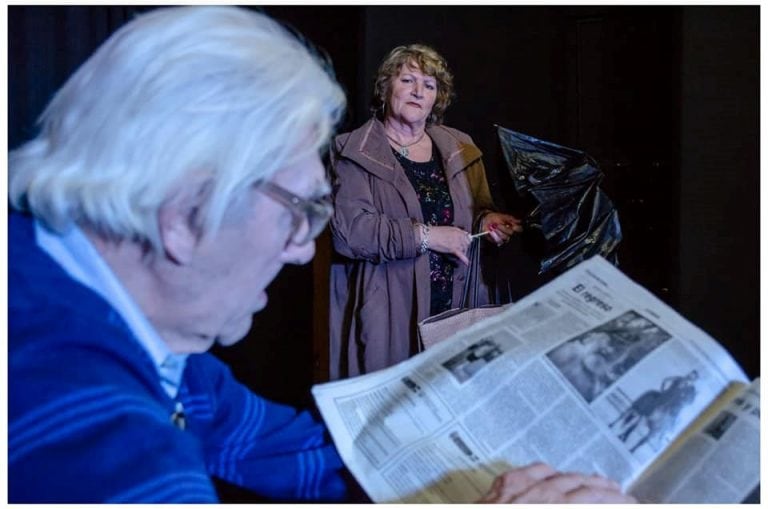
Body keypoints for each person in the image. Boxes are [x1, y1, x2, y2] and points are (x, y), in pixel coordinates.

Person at [8, 8, 633, 503]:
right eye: (299, 210)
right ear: (183, 213)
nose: (305, 247)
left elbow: (296, 454)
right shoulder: (102, 442)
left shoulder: (154, 347)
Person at [329, 44, 522, 379]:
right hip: (392, 308)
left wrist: (489, 221)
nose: (418, 91)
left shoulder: (460, 147)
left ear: (437, 98)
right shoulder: (353, 150)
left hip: (460, 304)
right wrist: (429, 237)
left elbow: (477, 209)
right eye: (407, 80)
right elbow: (350, 232)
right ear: (386, 87)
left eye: (429, 85)